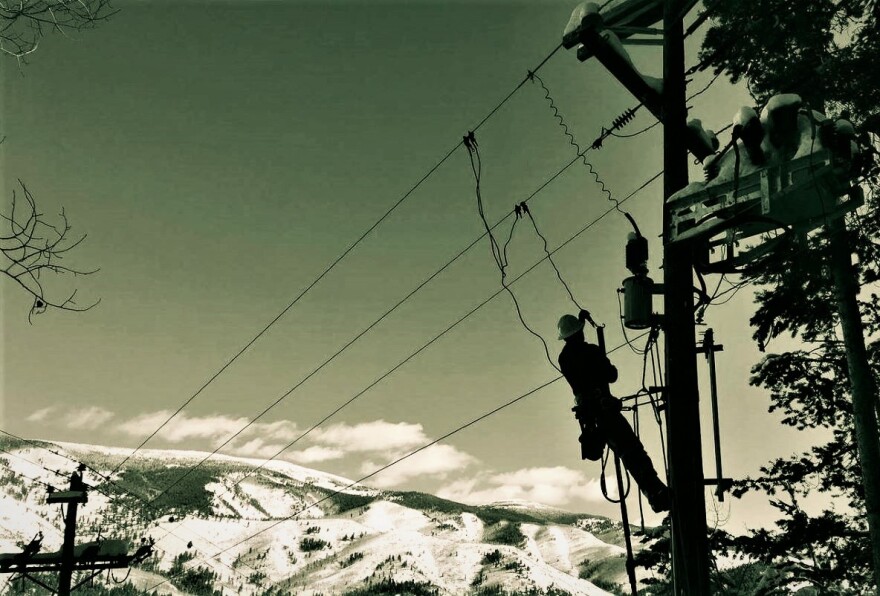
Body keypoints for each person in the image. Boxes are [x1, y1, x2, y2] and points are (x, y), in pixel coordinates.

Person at [557, 311, 670, 513]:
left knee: (628, 451)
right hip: (604, 410)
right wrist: (602, 358)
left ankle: (655, 493)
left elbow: (578, 354)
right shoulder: (592, 352)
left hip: (589, 416)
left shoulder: (564, 358)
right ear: (580, 333)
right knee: (632, 451)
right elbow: (612, 375)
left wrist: (581, 321)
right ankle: (655, 493)